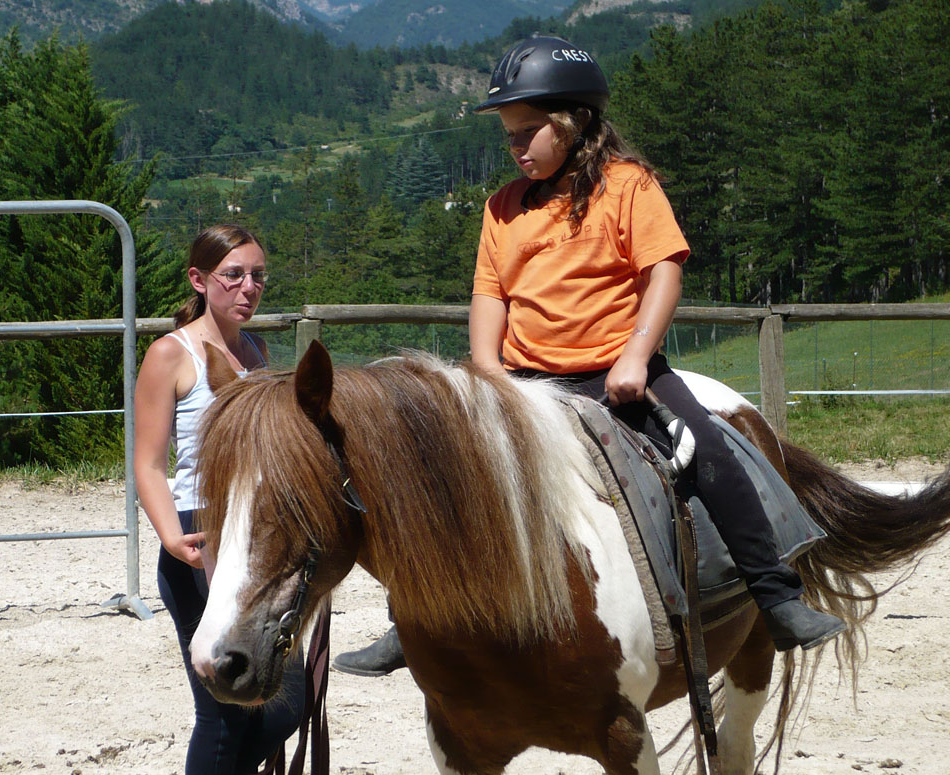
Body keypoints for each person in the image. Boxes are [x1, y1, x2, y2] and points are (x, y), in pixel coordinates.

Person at [333, 36, 844, 675]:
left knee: (709, 453)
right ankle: (410, 617)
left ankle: (776, 595)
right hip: (523, 378)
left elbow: (664, 273)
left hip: (616, 370)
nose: (516, 146)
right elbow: (490, 293)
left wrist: (635, 358)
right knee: (443, 476)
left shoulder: (628, 187)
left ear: (572, 123)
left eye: (528, 131)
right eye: (509, 135)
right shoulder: (502, 208)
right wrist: (488, 371)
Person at [134, 224, 302, 775]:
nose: (249, 288)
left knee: (292, 696)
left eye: (258, 275)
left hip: (255, 543)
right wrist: (173, 537)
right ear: (199, 281)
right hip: (200, 539)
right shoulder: (171, 355)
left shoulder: (259, 353)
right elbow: (147, 463)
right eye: (233, 274)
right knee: (223, 707)